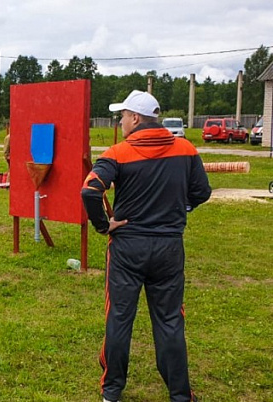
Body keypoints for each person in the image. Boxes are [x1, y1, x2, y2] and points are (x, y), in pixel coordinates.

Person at [81, 90, 210, 402]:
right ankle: (180, 395)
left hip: (127, 248)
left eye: (122, 116)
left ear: (135, 118)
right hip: (168, 248)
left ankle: (111, 391)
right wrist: (180, 209)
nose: (121, 121)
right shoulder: (186, 148)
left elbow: (89, 190)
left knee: (120, 317)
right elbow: (202, 192)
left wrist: (103, 225)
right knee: (169, 321)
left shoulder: (118, 152)